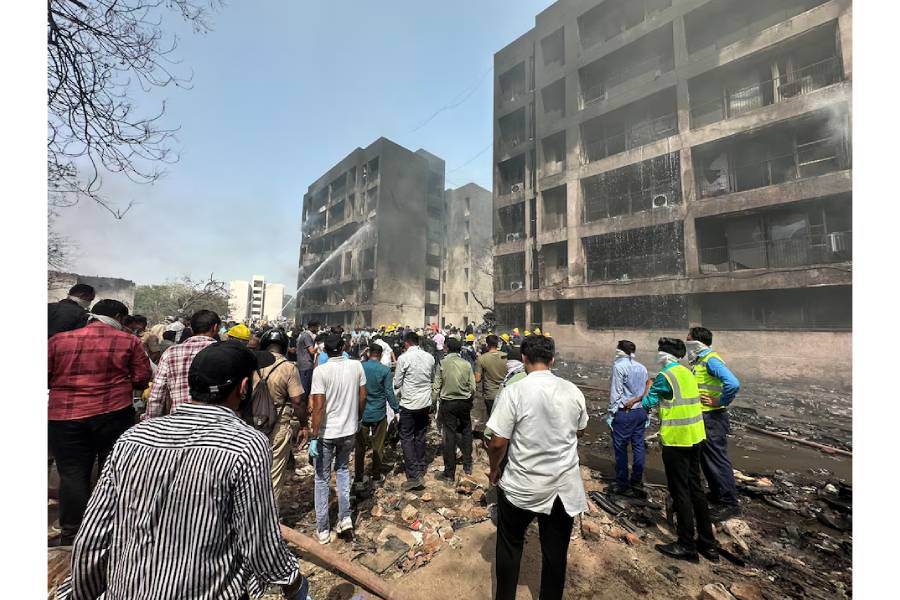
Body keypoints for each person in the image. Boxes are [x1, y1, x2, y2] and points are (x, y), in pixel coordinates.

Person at [55, 342, 309, 600]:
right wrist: (292, 581)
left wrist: (82, 594)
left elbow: (93, 536)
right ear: (243, 388)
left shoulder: (133, 438)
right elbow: (259, 541)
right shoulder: (246, 444)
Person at [486, 335, 588, 600]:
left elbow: (498, 443)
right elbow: (580, 430)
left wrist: (494, 469)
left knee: (509, 547)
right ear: (553, 359)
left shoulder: (514, 391)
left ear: (523, 359)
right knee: (555, 556)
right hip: (562, 489)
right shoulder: (572, 390)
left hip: (522, 486)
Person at [48, 299, 151, 546]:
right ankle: (106, 532)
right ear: (118, 316)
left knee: (72, 474)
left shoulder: (59, 340)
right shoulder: (129, 341)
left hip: (64, 416)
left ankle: (71, 534)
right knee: (111, 471)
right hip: (113, 413)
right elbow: (142, 377)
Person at [623, 337, 717, 563]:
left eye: (658, 352)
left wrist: (648, 387)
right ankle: (707, 543)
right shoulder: (687, 373)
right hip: (697, 437)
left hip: (677, 441)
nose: (657, 355)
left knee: (680, 491)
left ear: (664, 355)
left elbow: (647, 403)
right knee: (696, 489)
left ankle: (686, 545)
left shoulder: (666, 376)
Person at [308, 334, 367, 544]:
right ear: (343, 347)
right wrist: (357, 417)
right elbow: (362, 396)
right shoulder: (356, 366)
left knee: (321, 480)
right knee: (342, 472)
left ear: (324, 351)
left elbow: (318, 406)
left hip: (326, 433)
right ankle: (345, 517)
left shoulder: (321, 371)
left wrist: (313, 436)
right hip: (348, 430)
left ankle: (323, 529)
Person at [686, 326, 741, 521]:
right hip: (705, 417)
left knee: (717, 460)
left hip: (713, 418)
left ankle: (729, 503)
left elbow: (733, 383)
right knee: (707, 460)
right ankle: (718, 494)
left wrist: (721, 401)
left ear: (697, 343)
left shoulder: (711, 360)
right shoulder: (700, 361)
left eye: (688, 339)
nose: (686, 343)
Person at [255, 329, 307, 505]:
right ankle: (267, 519)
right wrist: (304, 426)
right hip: (278, 424)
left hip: (250, 424)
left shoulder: (251, 364)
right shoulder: (288, 368)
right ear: (284, 347)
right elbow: (297, 401)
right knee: (274, 473)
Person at [143, 310, 221, 420]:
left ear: (191, 328)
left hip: (178, 421)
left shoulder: (171, 352)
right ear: (216, 327)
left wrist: (150, 421)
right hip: (215, 422)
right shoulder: (224, 353)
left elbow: (157, 393)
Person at [607, 340, 651, 497]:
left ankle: (622, 484)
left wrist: (612, 414)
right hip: (640, 412)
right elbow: (646, 390)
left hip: (625, 412)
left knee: (620, 449)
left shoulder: (619, 366)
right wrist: (647, 413)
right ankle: (636, 480)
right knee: (638, 446)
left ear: (619, 351)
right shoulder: (642, 367)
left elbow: (616, 393)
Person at [393, 331, 435, 492]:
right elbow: (431, 378)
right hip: (424, 402)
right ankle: (420, 465)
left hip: (409, 404)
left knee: (406, 437)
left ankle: (413, 475)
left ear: (406, 343)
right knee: (420, 435)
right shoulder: (429, 357)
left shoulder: (403, 358)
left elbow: (397, 383)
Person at [433, 337, 476, 484]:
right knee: (466, 431)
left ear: (447, 348)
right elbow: (473, 387)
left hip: (448, 403)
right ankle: (468, 466)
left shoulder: (442, 363)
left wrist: (433, 402)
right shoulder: (466, 364)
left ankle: (449, 473)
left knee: (449, 436)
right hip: (464, 402)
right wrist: (470, 400)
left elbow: (437, 385)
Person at [356, 343, 399, 485]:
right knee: (378, 446)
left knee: (360, 446)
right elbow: (389, 392)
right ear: (380, 355)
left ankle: (358, 477)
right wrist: (396, 408)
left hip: (362, 413)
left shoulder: (360, 367)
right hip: (379, 413)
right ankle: (376, 475)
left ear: (369, 353)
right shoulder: (385, 370)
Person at [475, 334, 507, 418]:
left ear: (487, 344)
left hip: (490, 395)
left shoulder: (482, 358)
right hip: (505, 393)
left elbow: (477, 379)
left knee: (492, 420)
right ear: (497, 344)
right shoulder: (506, 356)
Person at [295, 321, 319, 407]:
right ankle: (302, 408)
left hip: (302, 364)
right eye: (317, 327)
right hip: (306, 365)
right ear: (312, 327)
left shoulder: (303, 334)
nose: (318, 329)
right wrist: (320, 346)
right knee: (305, 388)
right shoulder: (307, 336)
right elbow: (312, 351)